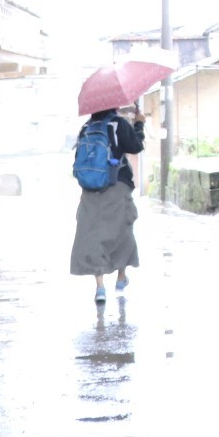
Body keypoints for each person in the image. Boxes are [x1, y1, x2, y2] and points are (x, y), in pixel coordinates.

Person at [70, 106, 145, 303]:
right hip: (117, 184)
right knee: (121, 231)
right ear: (114, 105)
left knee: (94, 235)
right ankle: (121, 277)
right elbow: (136, 146)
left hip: (90, 189)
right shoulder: (118, 124)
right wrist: (139, 124)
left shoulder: (87, 128)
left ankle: (100, 287)